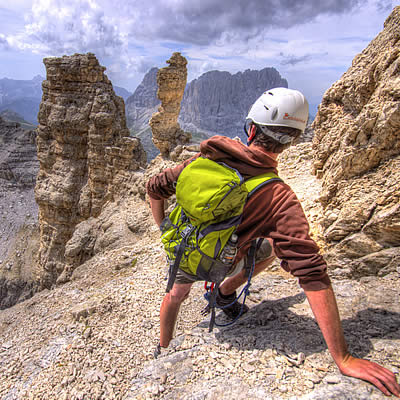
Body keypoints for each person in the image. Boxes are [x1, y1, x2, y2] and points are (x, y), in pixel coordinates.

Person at [146, 87, 400, 397]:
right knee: (272, 248)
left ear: (251, 129)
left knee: (175, 294)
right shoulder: (279, 198)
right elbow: (311, 272)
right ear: (293, 141)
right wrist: (342, 357)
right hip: (222, 260)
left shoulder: (204, 161)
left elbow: (154, 188)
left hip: (184, 252)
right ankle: (223, 292)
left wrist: (163, 230)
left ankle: (164, 347)